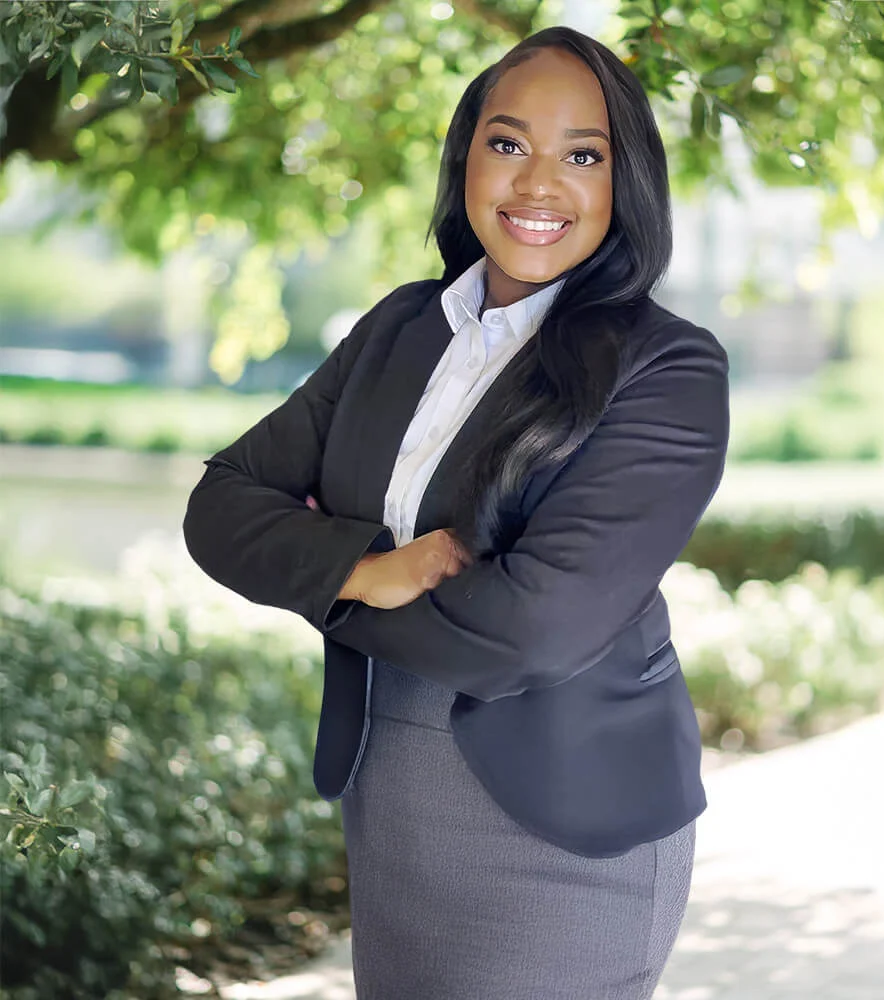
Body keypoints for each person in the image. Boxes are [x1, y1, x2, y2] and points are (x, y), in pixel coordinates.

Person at [183, 24, 729, 1000]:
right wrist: (366, 568)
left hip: (567, 823)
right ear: (466, 153)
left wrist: (317, 578)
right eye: (508, 142)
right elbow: (222, 506)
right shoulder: (401, 325)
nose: (536, 185)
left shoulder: (666, 370)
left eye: (582, 155)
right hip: (390, 796)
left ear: (625, 180)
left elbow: (532, 630)